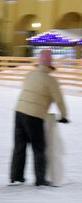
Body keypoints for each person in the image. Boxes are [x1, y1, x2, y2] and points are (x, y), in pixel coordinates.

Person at [10, 49, 69, 187]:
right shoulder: (51, 80)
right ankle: (40, 179)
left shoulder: (30, 74)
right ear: (50, 66)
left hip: (18, 112)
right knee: (38, 148)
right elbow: (59, 100)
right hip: (34, 116)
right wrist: (64, 116)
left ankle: (16, 176)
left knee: (19, 146)